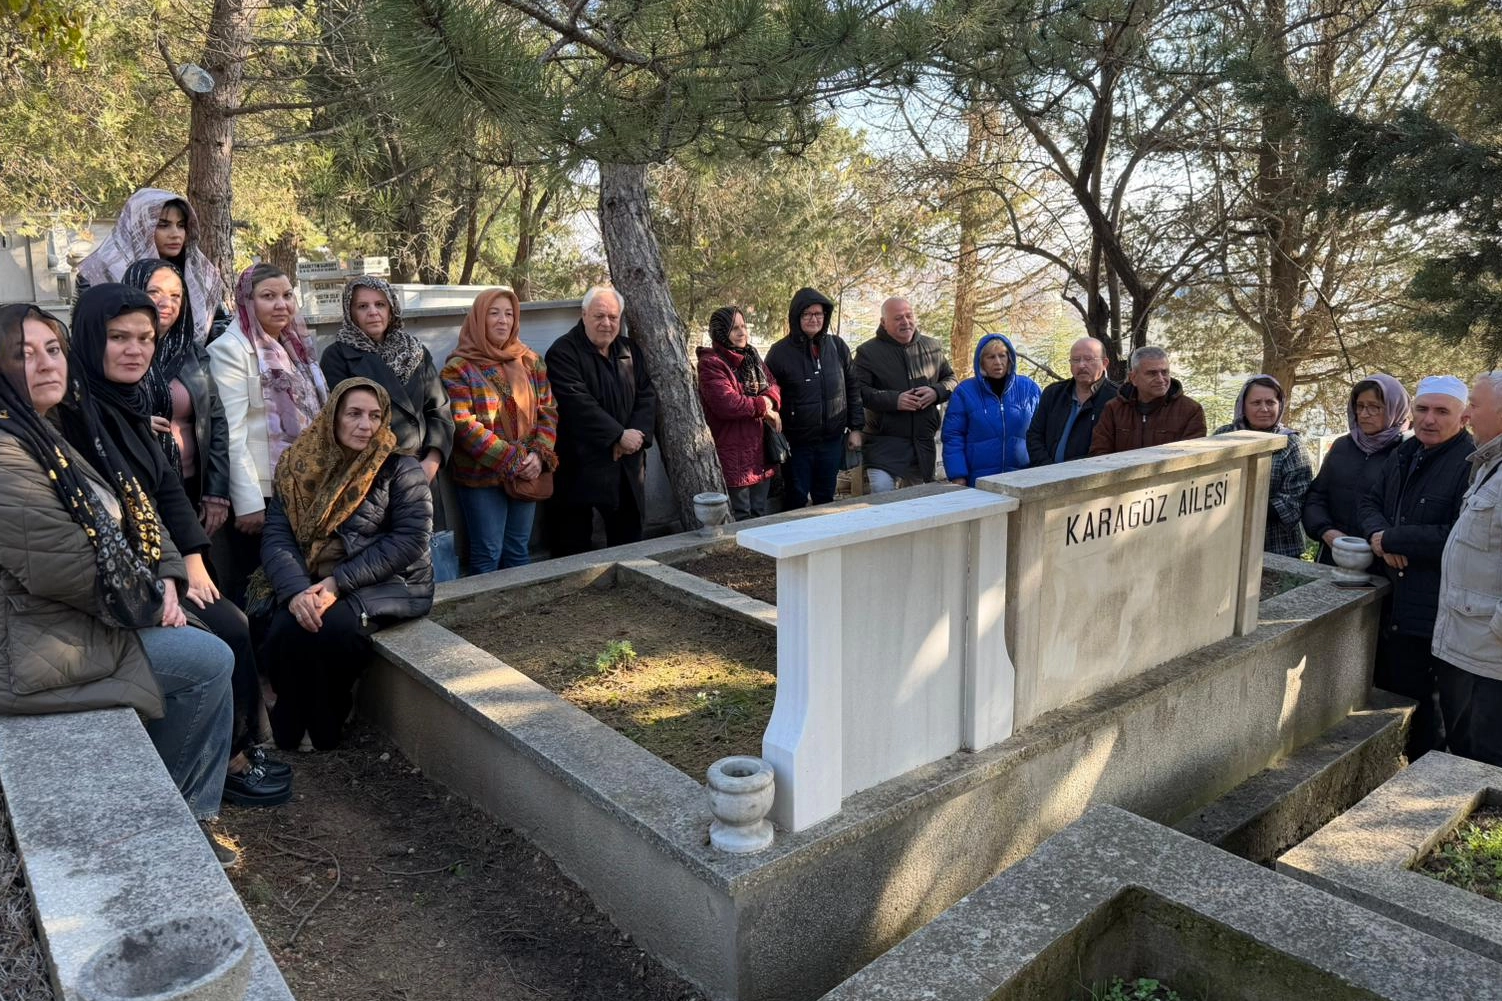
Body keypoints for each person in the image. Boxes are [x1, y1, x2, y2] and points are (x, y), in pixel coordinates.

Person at [0, 304, 237, 864]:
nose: (46, 364)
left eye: (52, 350)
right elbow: (62, 566)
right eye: (23, 354)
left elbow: (138, 509)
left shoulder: (49, 429)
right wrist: (153, 600)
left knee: (217, 636)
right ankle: (169, 821)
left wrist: (169, 574)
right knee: (208, 662)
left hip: (82, 616)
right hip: (36, 643)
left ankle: (179, 814)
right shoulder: (8, 451)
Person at [66, 284, 291, 807]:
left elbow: (164, 489)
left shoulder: (126, 401)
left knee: (231, 620)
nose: (135, 350)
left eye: (144, 338)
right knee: (226, 631)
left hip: (158, 560)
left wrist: (191, 559)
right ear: (89, 339)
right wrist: (167, 575)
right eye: (118, 337)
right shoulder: (79, 412)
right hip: (116, 586)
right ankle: (230, 761)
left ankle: (238, 748)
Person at [254, 378, 434, 751]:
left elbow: (410, 540)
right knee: (284, 628)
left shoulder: (400, 469)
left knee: (333, 629)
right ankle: (289, 724)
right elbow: (277, 536)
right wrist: (296, 591)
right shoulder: (299, 466)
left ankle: (327, 723)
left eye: (374, 416)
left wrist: (337, 582)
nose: (365, 425)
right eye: (354, 414)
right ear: (333, 416)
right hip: (310, 580)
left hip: (385, 582)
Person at [1358, 375, 1475, 760]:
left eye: (1442, 411)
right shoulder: (1404, 453)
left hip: (1432, 609)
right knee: (1389, 697)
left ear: (1464, 418)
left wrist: (1394, 539)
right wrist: (1379, 536)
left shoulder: (1470, 464)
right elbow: (1369, 502)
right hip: (1391, 601)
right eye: (1422, 409)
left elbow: (1457, 533)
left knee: (1428, 711)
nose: (1429, 419)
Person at [207, 264, 329, 606]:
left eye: (287, 295)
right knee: (261, 586)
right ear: (247, 301)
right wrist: (247, 504)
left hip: (303, 487)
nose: (281, 305)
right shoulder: (230, 350)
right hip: (262, 494)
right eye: (268, 296)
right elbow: (231, 433)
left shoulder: (295, 347)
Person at [441, 288, 558, 571]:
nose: (502, 320)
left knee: (518, 549)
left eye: (509, 314)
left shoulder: (530, 361)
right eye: (493, 313)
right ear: (479, 318)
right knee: (488, 552)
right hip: (482, 476)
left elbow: (548, 410)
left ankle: (521, 602)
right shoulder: (459, 368)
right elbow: (464, 424)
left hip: (528, 469)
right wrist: (513, 460)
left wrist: (538, 455)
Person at [121, 259, 232, 539]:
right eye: (154, 292)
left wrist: (216, 491)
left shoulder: (192, 354)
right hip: (139, 489)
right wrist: (131, 424)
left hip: (194, 487)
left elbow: (215, 421)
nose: (166, 303)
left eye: (175, 295)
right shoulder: (112, 353)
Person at [544, 287, 656, 556]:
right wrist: (617, 436)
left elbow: (647, 394)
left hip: (626, 465)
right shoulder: (562, 352)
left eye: (613, 317)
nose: (607, 323)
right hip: (579, 467)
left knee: (629, 545)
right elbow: (577, 403)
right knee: (574, 549)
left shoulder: (629, 350)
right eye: (599, 316)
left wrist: (635, 436)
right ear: (584, 315)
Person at [319, 275, 453, 482]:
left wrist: (431, 463)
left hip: (421, 470)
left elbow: (439, 410)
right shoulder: (337, 356)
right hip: (369, 476)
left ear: (391, 309)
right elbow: (342, 422)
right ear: (350, 312)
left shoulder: (415, 351)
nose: (373, 312)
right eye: (362, 306)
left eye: (380, 304)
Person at [1434, 372, 1502, 766]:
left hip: (1491, 652)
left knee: (1485, 760)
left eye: (1474, 405)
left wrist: (1497, 631)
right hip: (1471, 644)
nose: (1466, 415)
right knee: (1466, 752)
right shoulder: (1489, 464)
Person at [74, 188, 228, 344]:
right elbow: (86, 334)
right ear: (139, 226)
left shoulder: (199, 271)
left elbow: (219, 325)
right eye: (163, 225)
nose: (175, 234)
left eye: (181, 225)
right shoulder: (100, 272)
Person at [764, 288, 863, 509]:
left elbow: (853, 388)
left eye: (818, 314)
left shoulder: (838, 347)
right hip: (797, 444)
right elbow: (770, 393)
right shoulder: (779, 352)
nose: (813, 319)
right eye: (807, 314)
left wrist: (856, 428)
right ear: (796, 316)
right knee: (796, 498)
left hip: (832, 440)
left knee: (825, 497)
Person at [1301, 375, 1410, 565]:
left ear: (1395, 408)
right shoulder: (1342, 446)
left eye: (1374, 407)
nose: (1364, 414)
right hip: (1334, 553)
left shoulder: (1406, 453)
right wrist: (1325, 531)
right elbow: (1316, 496)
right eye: (1360, 406)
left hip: (1383, 561)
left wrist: (1387, 541)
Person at [854, 297, 957, 492]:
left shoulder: (932, 347)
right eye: (898, 318)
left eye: (909, 316)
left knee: (915, 499)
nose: (906, 322)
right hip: (884, 440)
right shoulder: (867, 352)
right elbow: (858, 391)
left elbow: (951, 379)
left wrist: (936, 392)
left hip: (922, 441)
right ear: (883, 322)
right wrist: (895, 400)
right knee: (882, 491)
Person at [1212, 375, 1314, 558]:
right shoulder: (1223, 436)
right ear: (1243, 406)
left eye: (1270, 402)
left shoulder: (1291, 444)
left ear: (1280, 405)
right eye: (1256, 403)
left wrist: (1241, 506)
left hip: (1277, 546)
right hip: (1227, 541)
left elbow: (1293, 502)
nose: (1264, 409)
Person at [697, 306, 782, 520]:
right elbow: (728, 404)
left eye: (744, 326)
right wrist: (764, 408)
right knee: (741, 516)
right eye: (734, 328)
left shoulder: (752, 357)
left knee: (760, 513)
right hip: (735, 454)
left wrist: (769, 401)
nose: (742, 332)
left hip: (761, 451)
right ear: (720, 332)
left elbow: (773, 384)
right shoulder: (711, 364)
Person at [942, 332, 1040, 484]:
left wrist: (1042, 469)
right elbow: (953, 436)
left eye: (1002, 356)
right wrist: (958, 475)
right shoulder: (965, 392)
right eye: (991, 357)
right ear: (981, 361)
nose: (998, 362)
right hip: (980, 480)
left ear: (1010, 358)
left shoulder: (1028, 388)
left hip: (1023, 477)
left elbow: (1043, 431)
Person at [1089, 346, 1206, 455]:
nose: (1161, 379)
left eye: (1164, 372)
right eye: (1152, 373)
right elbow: (1099, 453)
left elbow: (1191, 458)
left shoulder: (1190, 410)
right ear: (1133, 378)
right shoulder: (1114, 409)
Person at [1026, 336, 1119, 465]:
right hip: (1046, 473)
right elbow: (1034, 435)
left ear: (1105, 363)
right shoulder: (1053, 393)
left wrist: (1073, 472)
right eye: (1075, 360)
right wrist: (1047, 468)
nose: (1081, 365)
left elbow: (1115, 449)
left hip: (1091, 474)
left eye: (1088, 359)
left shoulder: (1116, 398)